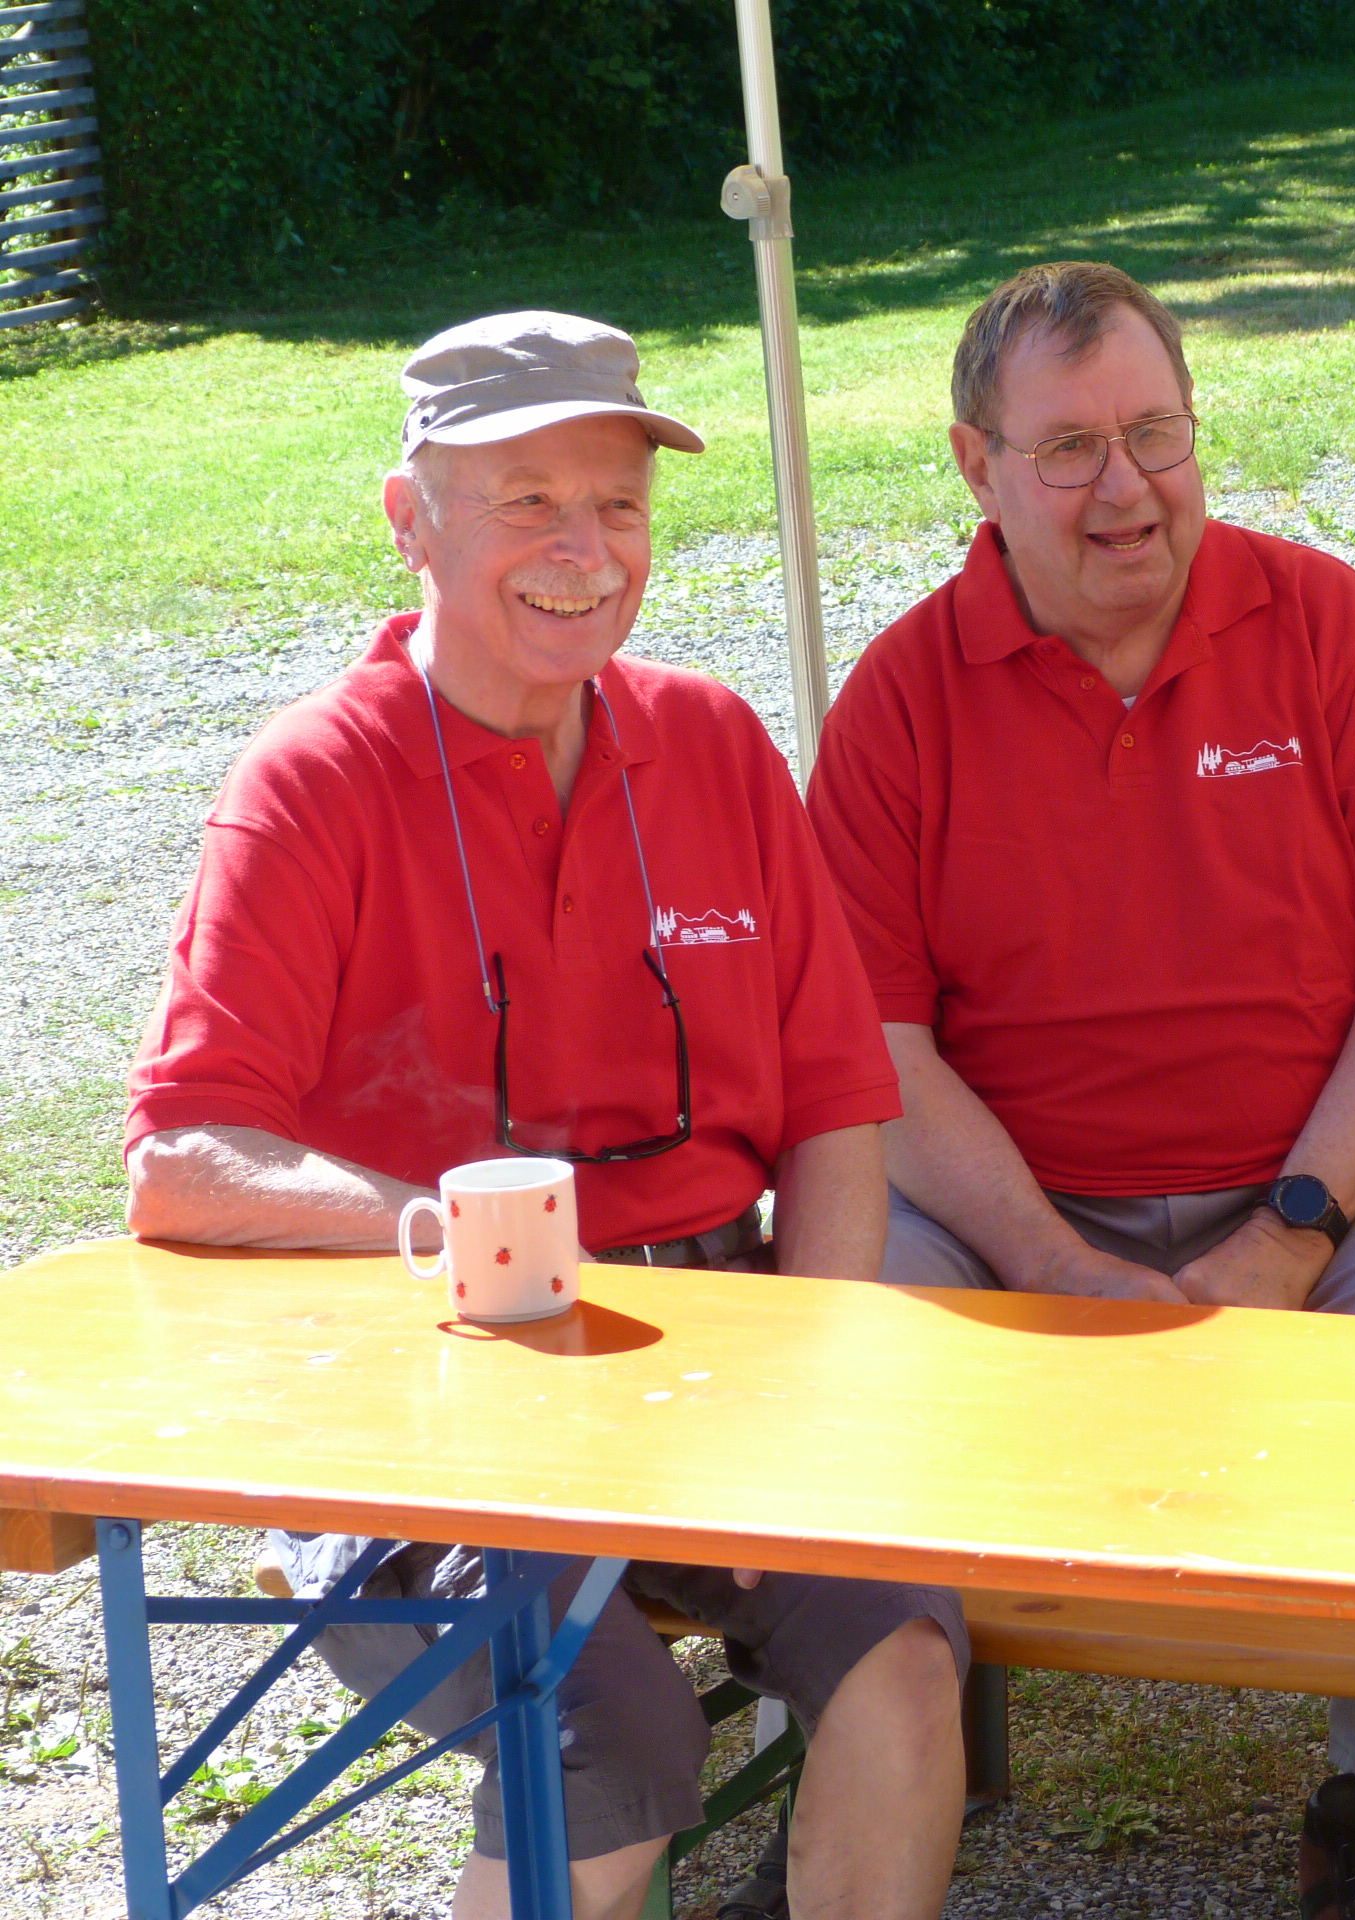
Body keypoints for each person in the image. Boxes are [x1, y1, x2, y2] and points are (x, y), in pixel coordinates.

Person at [124, 311, 966, 1920]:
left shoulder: (713, 744)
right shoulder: (312, 782)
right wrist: (438, 1229)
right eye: (528, 503)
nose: (585, 551)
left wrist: (816, 1388)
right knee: (603, 1733)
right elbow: (180, 1160)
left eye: (618, 506)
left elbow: (836, 1111)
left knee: (906, 1661)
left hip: (723, 1360)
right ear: (411, 521)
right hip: (434, 1394)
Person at [807, 261, 1355, 1920]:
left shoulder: (1322, 622)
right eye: (1070, 449)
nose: (1125, 488)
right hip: (1008, 1202)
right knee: (839, 1392)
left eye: (1156, 435)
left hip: (1332, 1180)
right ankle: (852, 1787)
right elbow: (876, 1058)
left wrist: (1291, 1234)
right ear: (977, 467)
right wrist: (1057, 1265)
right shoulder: (905, 695)